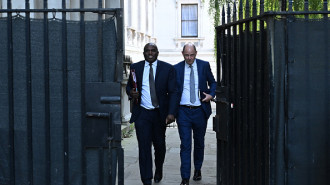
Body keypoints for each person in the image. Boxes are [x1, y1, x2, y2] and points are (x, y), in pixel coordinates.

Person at [126, 43, 177, 185]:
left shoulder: (168, 69)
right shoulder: (135, 67)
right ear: (143, 53)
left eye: (152, 51)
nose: (150, 53)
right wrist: (131, 92)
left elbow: (173, 92)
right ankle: (146, 179)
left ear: (157, 53)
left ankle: (159, 169)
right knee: (144, 147)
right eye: (147, 51)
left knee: (159, 146)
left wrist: (171, 113)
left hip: (159, 114)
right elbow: (130, 86)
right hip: (142, 114)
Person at [174, 43, 216, 185]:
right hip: (183, 111)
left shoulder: (204, 65)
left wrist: (211, 95)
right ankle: (185, 177)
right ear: (183, 54)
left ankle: (198, 169)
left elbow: (213, 82)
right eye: (187, 55)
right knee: (185, 144)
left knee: (199, 143)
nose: (189, 58)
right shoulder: (177, 68)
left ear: (196, 53)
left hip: (200, 111)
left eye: (192, 55)